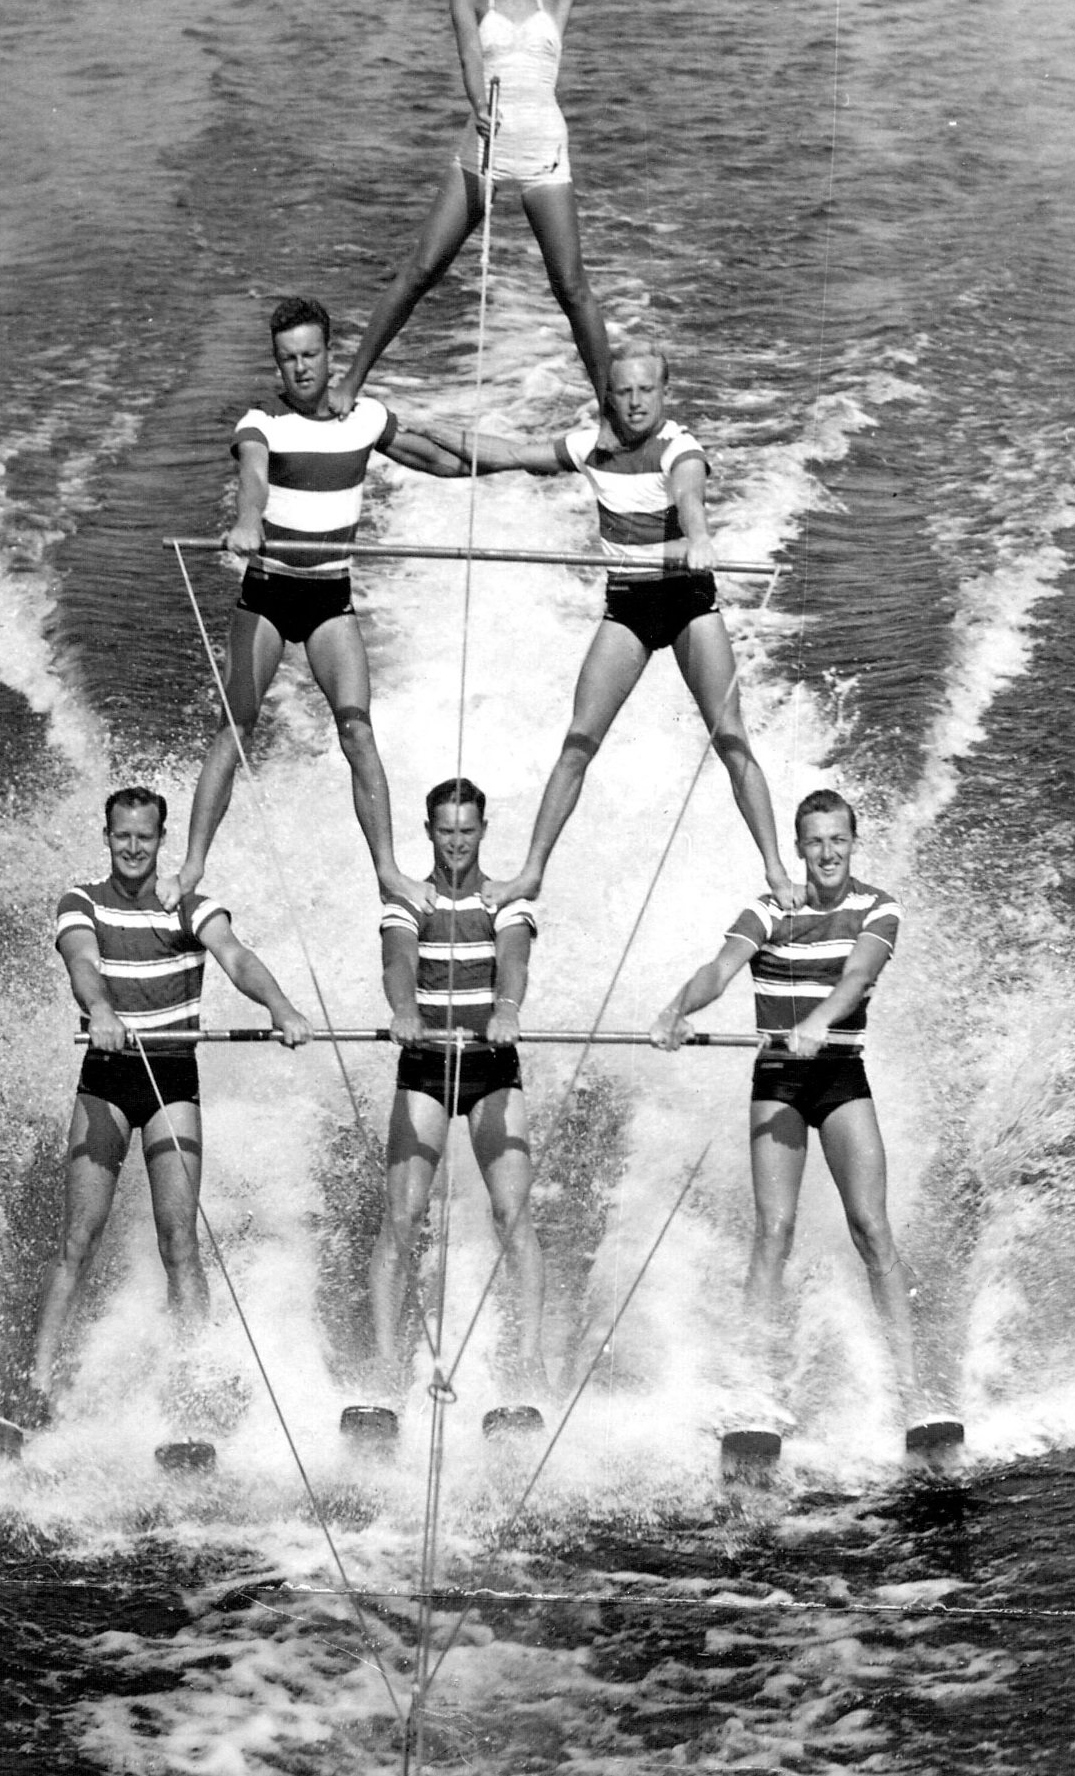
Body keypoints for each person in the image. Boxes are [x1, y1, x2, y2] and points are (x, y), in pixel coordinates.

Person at [417, 342, 799, 910]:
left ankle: (776, 871)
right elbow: (506, 454)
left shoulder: (681, 448)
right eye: (624, 391)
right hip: (628, 606)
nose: (636, 401)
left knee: (731, 737)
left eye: (647, 390)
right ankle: (531, 874)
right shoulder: (589, 448)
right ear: (610, 397)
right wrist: (422, 426)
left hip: (687, 601)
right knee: (577, 742)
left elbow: (688, 495)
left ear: (664, 393)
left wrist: (697, 539)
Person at [158, 295, 468, 911]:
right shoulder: (261, 422)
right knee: (235, 730)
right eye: (287, 359)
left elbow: (439, 463)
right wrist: (247, 522)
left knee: (357, 732)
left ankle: (389, 874)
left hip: (330, 600)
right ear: (277, 365)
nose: (299, 368)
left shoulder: (365, 418)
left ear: (331, 354)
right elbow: (253, 478)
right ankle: (192, 867)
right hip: (269, 596)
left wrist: (524, 465)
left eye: (309, 355)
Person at [328, 0, 629, 420]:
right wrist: (476, 105)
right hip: (483, 149)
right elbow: (471, 61)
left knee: (572, 288)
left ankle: (615, 417)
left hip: (543, 151)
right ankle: (348, 384)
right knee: (420, 269)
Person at [20, 785, 311, 1422]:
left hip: (172, 1083)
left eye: (144, 838)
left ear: (161, 841)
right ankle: (36, 1389)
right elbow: (82, 962)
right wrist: (99, 1010)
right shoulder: (82, 902)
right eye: (122, 836)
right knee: (78, 1239)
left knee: (179, 1241)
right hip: (107, 1076)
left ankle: (194, 1390)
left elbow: (236, 958)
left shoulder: (191, 909)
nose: (132, 847)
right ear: (107, 837)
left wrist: (281, 1008)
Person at [649, 788, 923, 1423]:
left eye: (838, 840)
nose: (827, 853)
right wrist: (677, 1011)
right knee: (774, 1231)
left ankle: (912, 1393)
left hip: (838, 1077)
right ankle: (756, 1391)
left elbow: (856, 980)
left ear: (853, 843)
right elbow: (719, 969)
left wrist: (820, 1021)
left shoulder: (877, 908)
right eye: (815, 841)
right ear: (798, 848)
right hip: (777, 1081)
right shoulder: (768, 909)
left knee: (871, 1228)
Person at [368, 776, 547, 1400]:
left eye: (467, 831)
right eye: (445, 831)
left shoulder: (506, 899)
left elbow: (516, 957)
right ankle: (386, 1371)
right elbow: (399, 961)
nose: (455, 844)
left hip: (491, 1063)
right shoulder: (409, 900)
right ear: (428, 833)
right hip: (425, 1063)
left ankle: (528, 1364)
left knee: (512, 1214)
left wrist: (506, 1005)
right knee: (403, 1217)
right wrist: (402, 1008)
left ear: (483, 832)